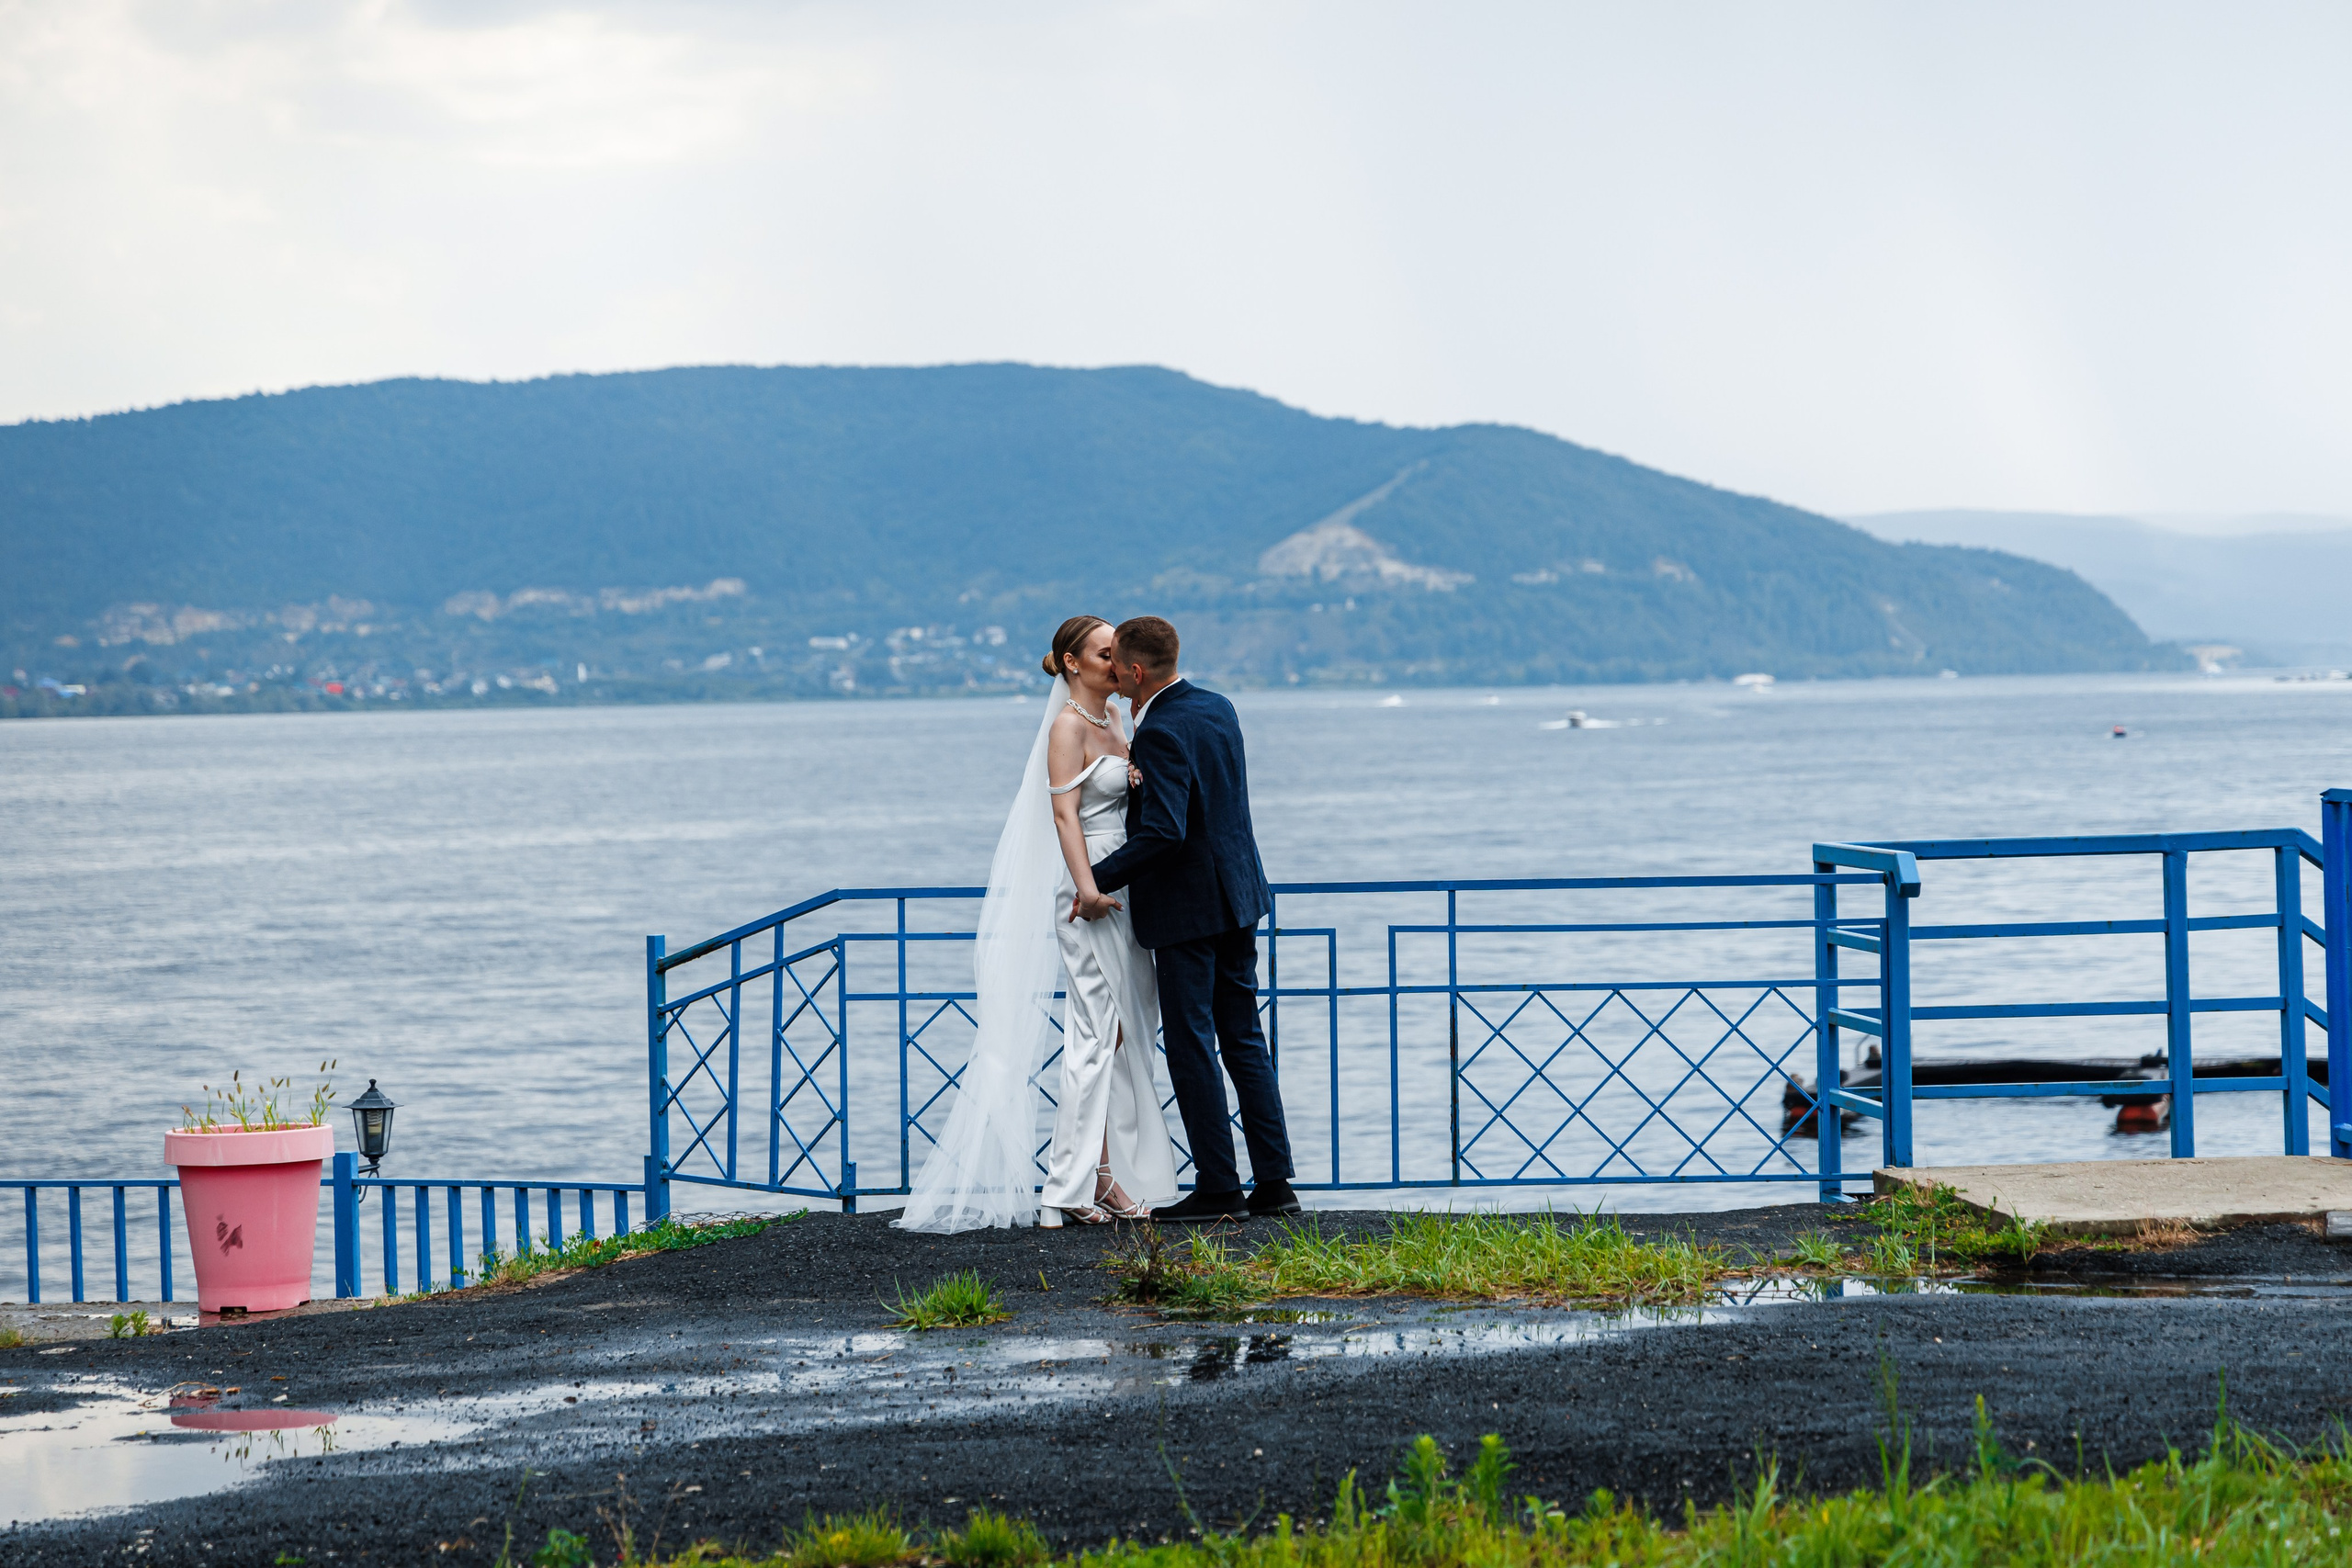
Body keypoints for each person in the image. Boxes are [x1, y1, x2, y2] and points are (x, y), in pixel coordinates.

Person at [895, 616, 1178, 1232]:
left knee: (1123, 1033)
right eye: (1104, 653)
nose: (1116, 662)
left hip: (1126, 885)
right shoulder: (1067, 727)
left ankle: (1104, 1175)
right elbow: (1064, 816)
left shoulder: (1118, 719)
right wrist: (1088, 888)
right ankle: (1066, 1187)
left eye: (1118, 653)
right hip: (1089, 888)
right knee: (1094, 1033)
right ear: (1072, 662)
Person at [1076, 615, 1299, 1222]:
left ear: (1136, 670)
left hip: (1187, 910)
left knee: (1192, 1042)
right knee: (1243, 1037)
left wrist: (1094, 881)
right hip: (1239, 895)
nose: (1113, 673)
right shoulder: (1217, 707)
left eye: (1117, 664)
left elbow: (1164, 832)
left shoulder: (1160, 731)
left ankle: (1219, 1186)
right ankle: (1275, 1184)